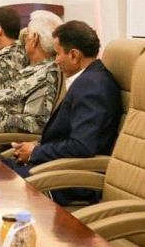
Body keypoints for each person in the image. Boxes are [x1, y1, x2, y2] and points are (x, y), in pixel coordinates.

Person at [7, 21, 122, 195]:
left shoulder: (92, 87)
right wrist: (36, 146)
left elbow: (81, 146)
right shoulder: (90, 79)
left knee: (0, 177)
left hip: (71, 177)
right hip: (58, 166)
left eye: (58, 53)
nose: (56, 60)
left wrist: (36, 152)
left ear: (74, 55)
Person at [0, 11, 63, 137]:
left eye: (27, 34)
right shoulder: (32, 67)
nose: (23, 39)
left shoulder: (46, 75)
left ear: (34, 39)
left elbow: (36, 122)